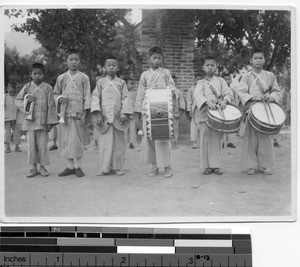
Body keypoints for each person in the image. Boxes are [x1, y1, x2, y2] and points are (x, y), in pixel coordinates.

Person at [238, 48, 281, 175]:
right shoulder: (246, 76)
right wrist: (253, 97)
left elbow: (276, 91)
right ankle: (251, 165)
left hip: (266, 109)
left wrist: (271, 97)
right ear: (250, 60)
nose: (258, 60)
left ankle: (264, 165)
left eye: (260, 58)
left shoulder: (270, 76)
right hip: (251, 109)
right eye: (255, 58)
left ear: (264, 60)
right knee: (250, 138)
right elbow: (241, 91)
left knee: (265, 138)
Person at [135, 46, 175, 178]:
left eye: (159, 58)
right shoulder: (144, 75)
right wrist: (140, 111)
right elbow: (140, 93)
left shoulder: (165, 73)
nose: (157, 60)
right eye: (154, 58)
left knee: (163, 138)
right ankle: (154, 165)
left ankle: (167, 166)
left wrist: (167, 89)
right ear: (149, 59)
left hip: (162, 109)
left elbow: (172, 87)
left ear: (162, 59)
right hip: (148, 110)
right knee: (150, 139)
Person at [91, 55, 132, 176]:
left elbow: (126, 98)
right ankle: (104, 168)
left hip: (118, 118)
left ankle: (118, 167)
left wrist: (125, 112)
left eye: (114, 65)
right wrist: (97, 114)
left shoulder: (121, 82)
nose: (111, 67)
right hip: (104, 118)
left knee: (118, 145)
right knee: (104, 145)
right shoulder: (100, 82)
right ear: (104, 67)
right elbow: (95, 98)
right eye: (108, 65)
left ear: (118, 68)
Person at [15, 62, 58, 177]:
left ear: (43, 75)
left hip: (42, 123)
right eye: (35, 73)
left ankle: (42, 167)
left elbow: (51, 105)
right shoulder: (27, 87)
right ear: (31, 74)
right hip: (30, 123)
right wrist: (26, 100)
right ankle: (33, 168)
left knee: (43, 146)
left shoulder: (48, 88)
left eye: (40, 73)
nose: (37, 76)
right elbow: (17, 101)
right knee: (31, 147)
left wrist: (50, 123)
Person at [54, 49, 91, 178]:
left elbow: (87, 96)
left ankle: (78, 166)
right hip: (64, 114)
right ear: (67, 61)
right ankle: (69, 166)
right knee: (65, 140)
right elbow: (55, 93)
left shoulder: (84, 78)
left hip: (78, 113)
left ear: (79, 61)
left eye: (76, 59)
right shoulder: (61, 77)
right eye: (71, 59)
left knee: (77, 141)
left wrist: (85, 114)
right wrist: (59, 99)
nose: (74, 62)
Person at [194, 56, 233, 175]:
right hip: (205, 113)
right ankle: (206, 166)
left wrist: (224, 101)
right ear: (203, 68)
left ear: (216, 67)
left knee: (217, 139)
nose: (210, 67)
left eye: (212, 65)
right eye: (207, 65)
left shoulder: (221, 81)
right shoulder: (200, 82)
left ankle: (216, 165)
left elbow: (228, 93)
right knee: (205, 139)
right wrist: (207, 102)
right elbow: (197, 95)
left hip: (218, 113)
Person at [4, 81, 22, 153]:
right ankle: (7, 146)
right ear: (7, 89)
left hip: (16, 117)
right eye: (11, 91)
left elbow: (20, 107)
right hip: (6, 118)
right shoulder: (4, 97)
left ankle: (17, 146)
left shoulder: (18, 97)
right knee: (7, 132)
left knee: (17, 132)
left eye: (14, 92)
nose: (12, 93)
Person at [222, 72, 239, 148]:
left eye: (229, 79)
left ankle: (230, 142)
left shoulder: (233, 90)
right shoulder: (220, 90)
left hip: (231, 109)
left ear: (231, 80)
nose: (227, 81)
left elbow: (235, 100)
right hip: (223, 109)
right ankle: (221, 141)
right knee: (222, 125)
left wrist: (236, 108)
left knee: (231, 125)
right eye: (225, 79)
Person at [186, 75, 202, 149]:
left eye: (200, 80)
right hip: (194, 109)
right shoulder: (191, 90)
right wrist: (189, 110)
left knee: (202, 126)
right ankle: (194, 142)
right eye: (197, 80)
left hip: (202, 109)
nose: (198, 81)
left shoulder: (204, 89)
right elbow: (189, 100)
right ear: (194, 80)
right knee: (194, 126)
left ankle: (202, 142)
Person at [171, 75, 186, 149]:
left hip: (175, 113)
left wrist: (179, 114)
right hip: (166, 114)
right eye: (171, 81)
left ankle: (175, 142)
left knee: (175, 128)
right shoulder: (165, 92)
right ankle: (167, 144)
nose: (173, 82)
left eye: (175, 81)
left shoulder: (178, 92)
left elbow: (182, 104)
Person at [124, 77, 137, 149]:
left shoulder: (134, 93)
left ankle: (132, 142)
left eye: (133, 84)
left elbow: (135, 104)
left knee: (132, 129)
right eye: (130, 84)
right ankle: (125, 142)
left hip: (132, 114)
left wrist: (134, 113)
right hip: (125, 114)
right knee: (125, 129)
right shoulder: (123, 93)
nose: (132, 85)